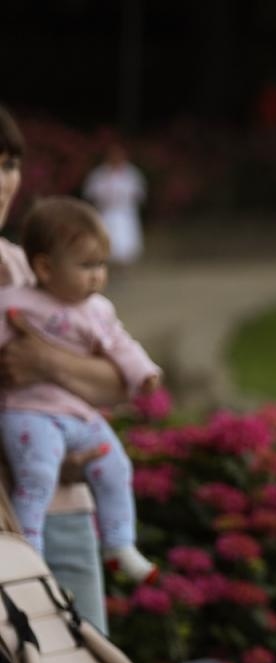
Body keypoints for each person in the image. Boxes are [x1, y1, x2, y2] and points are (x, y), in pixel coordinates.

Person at [0, 106, 124, 632]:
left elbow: (120, 378)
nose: (4, 181)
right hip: (11, 519)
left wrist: (45, 361)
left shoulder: (31, 266)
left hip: (63, 511)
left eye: (10, 163)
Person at [0, 197, 160, 582]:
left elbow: (120, 347)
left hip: (78, 417)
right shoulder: (17, 302)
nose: (97, 277)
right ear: (45, 268)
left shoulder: (98, 310)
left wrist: (143, 372)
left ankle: (120, 543)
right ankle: (31, 547)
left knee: (116, 465)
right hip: (31, 414)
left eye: (102, 265)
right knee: (37, 471)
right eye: (87, 266)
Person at [82, 143, 146, 266]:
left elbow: (139, 193)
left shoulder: (131, 173)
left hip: (125, 213)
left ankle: (124, 266)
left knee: (125, 242)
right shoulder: (99, 174)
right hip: (107, 212)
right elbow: (91, 192)